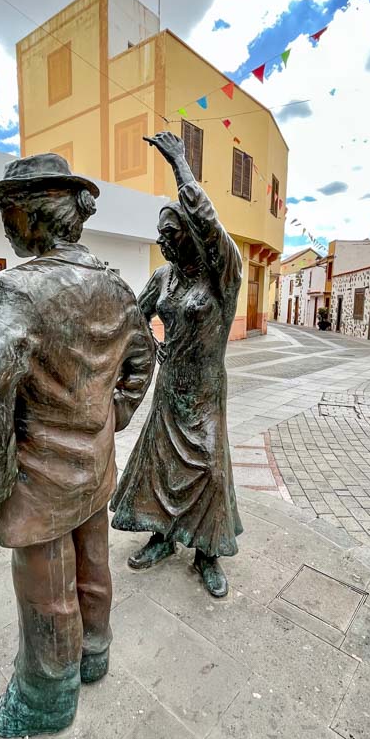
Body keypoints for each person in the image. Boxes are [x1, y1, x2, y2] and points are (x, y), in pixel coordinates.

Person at [0, 153, 155, 738]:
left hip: (40, 480)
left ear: (34, 216)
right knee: (94, 564)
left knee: (47, 592)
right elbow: (141, 362)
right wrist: (109, 419)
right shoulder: (117, 287)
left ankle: (45, 698)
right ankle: (95, 653)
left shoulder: (18, 293)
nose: (4, 225)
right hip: (95, 465)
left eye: (9, 211)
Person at [110, 131, 243, 598]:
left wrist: (180, 164)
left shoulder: (223, 275)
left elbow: (209, 219)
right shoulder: (163, 278)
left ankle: (207, 552)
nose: (164, 244)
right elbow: (133, 316)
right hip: (169, 391)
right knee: (160, 467)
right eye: (160, 237)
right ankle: (162, 536)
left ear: (191, 233)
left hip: (206, 393)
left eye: (172, 234)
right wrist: (151, 342)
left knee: (210, 468)